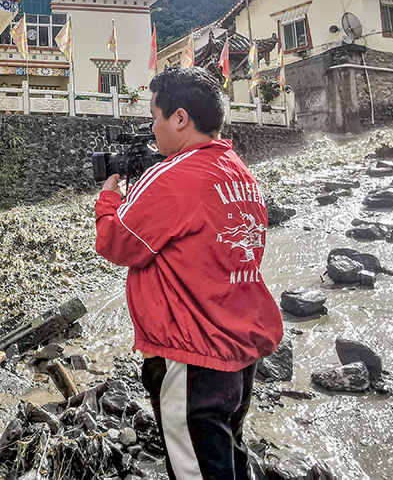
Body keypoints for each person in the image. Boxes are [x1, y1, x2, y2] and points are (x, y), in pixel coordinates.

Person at [94, 66, 283, 480]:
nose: (153, 129)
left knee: (194, 468)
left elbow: (117, 243)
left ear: (180, 118)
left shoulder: (172, 175)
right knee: (227, 453)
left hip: (191, 354)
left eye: (155, 118)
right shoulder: (239, 172)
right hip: (237, 348)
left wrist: (108, 198)